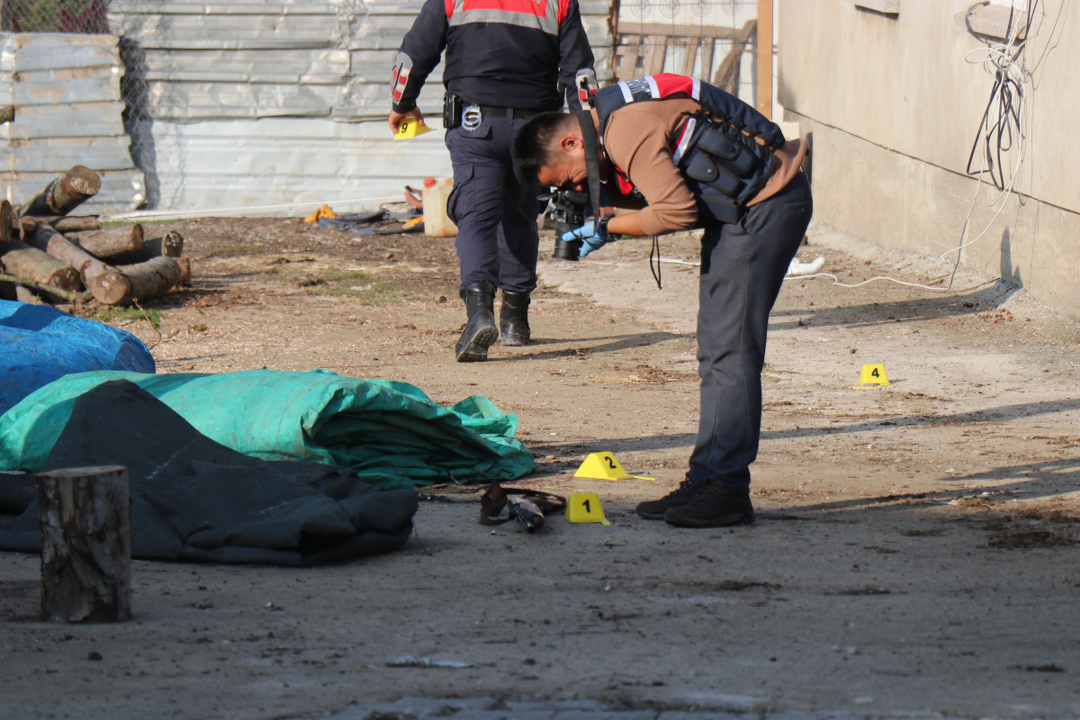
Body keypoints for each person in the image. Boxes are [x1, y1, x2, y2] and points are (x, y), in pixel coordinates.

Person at [512, 73, 812, 528]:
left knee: (730, 353)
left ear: (573, 142)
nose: (577, 187)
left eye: (571, 177)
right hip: (744, 210)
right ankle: (706, 477)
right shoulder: (611, 114)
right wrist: (613, 216)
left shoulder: (623, 129)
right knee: (715, 349)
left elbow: (676, 211)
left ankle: (727, 488)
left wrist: (608, 227)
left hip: (765, 205)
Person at [389, 0, 595, 362]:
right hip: (536, 131)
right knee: (520, 213)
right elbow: (580, 75)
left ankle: (479, 313)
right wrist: (586, 138)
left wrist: (402, 102)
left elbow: (412, 55)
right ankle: (515, 319)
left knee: (476, 216)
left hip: (475, 125)